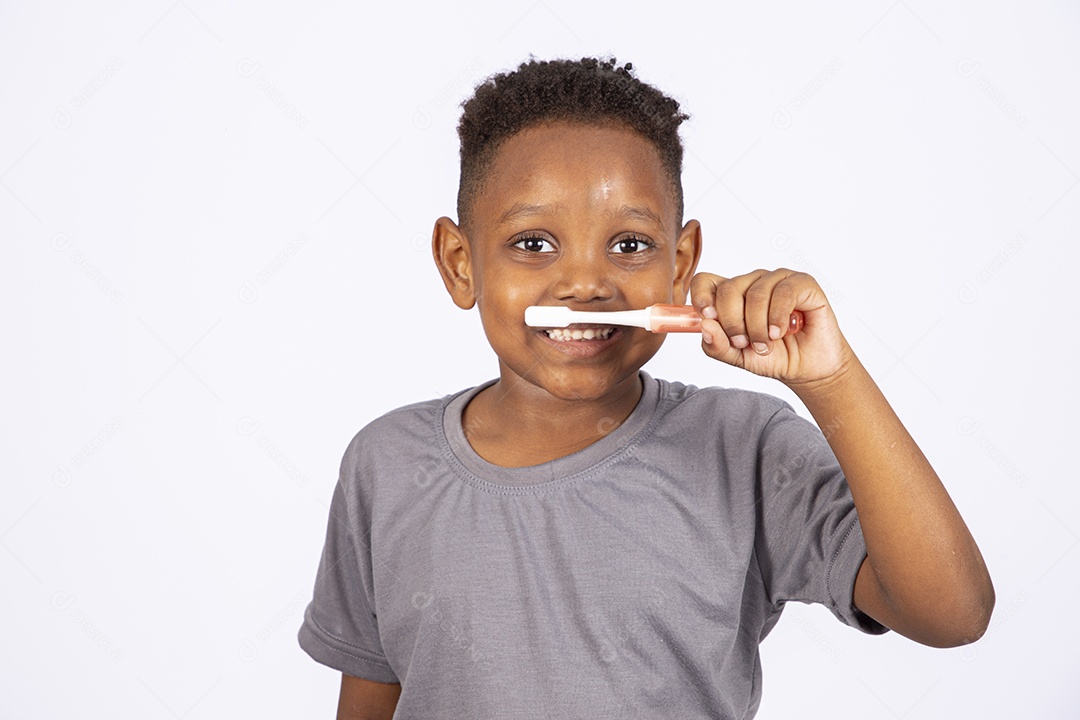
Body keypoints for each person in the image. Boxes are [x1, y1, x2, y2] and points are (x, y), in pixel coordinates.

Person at [297, 56, 994, 719]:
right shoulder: (384, 464)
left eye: (630, 245)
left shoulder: (744, 447)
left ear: (680, 262)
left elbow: (953, 613)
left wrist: (832, 379)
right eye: (533, 243)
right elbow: (370, 703)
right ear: (459, 263)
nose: (586, 286)